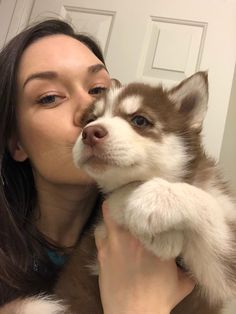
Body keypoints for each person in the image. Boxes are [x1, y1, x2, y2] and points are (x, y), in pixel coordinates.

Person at [0, 19, 194, 313]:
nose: (91, 113)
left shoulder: (162, 233)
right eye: (50, 97)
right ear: (17, 144)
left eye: (98, 90)